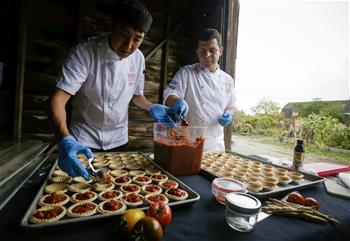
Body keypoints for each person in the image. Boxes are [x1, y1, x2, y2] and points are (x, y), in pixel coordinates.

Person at [49, 0, 173, 179]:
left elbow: (137, 96)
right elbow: (57, 99)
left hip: (119, 140)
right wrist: (64, 138)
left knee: (114, 190)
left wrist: (152, 107)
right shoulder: (85, 52)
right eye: (124, 34)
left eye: (137, 39)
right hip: (84, 140)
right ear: (112, 26)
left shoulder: (138, 59)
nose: (129, 45)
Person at [163, 28, 236, 152]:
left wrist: (229, 113)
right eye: (203, 50)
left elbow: (232, 105)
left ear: (221, 51)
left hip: (215, 145)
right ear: (197, 52)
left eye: (212, 50)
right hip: (188, 142)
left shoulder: (227, 80)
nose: (207, 55)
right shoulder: (186, 72)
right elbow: (169, 93)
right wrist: (176, 102)